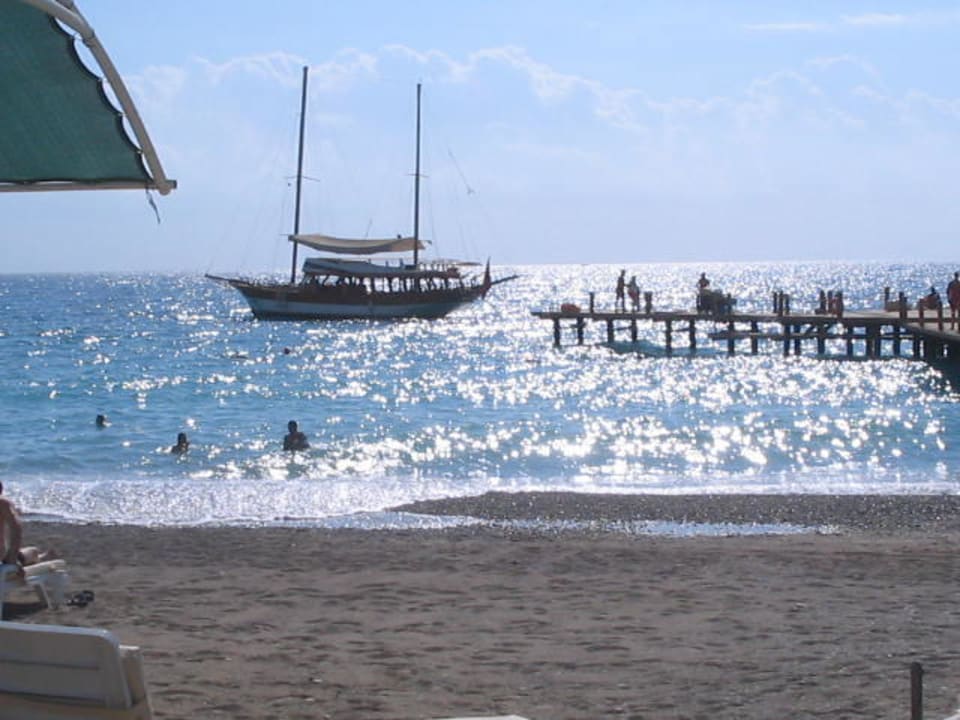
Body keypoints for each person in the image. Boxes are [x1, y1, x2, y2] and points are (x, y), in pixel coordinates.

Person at [0, 481, 55, 571]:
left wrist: (12, 554)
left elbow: (16, 527)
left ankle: (43, 557)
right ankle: (41, 556)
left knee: (30, 553)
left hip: (2, 556)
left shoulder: (2, 503)